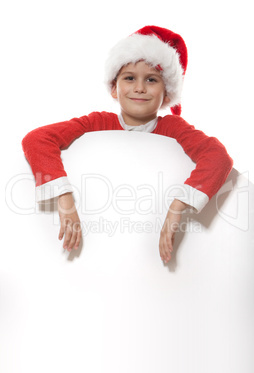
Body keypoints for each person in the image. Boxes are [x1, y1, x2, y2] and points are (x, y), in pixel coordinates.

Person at [22, 25, 233, 263]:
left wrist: (177, 207)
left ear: (167, 92)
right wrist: (64, 196)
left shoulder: (174, 129)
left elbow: (218, 158)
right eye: (129, 78)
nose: (140, 87)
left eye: (151, 79)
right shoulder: (97, 122)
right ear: (114, 88)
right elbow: (37, 139)